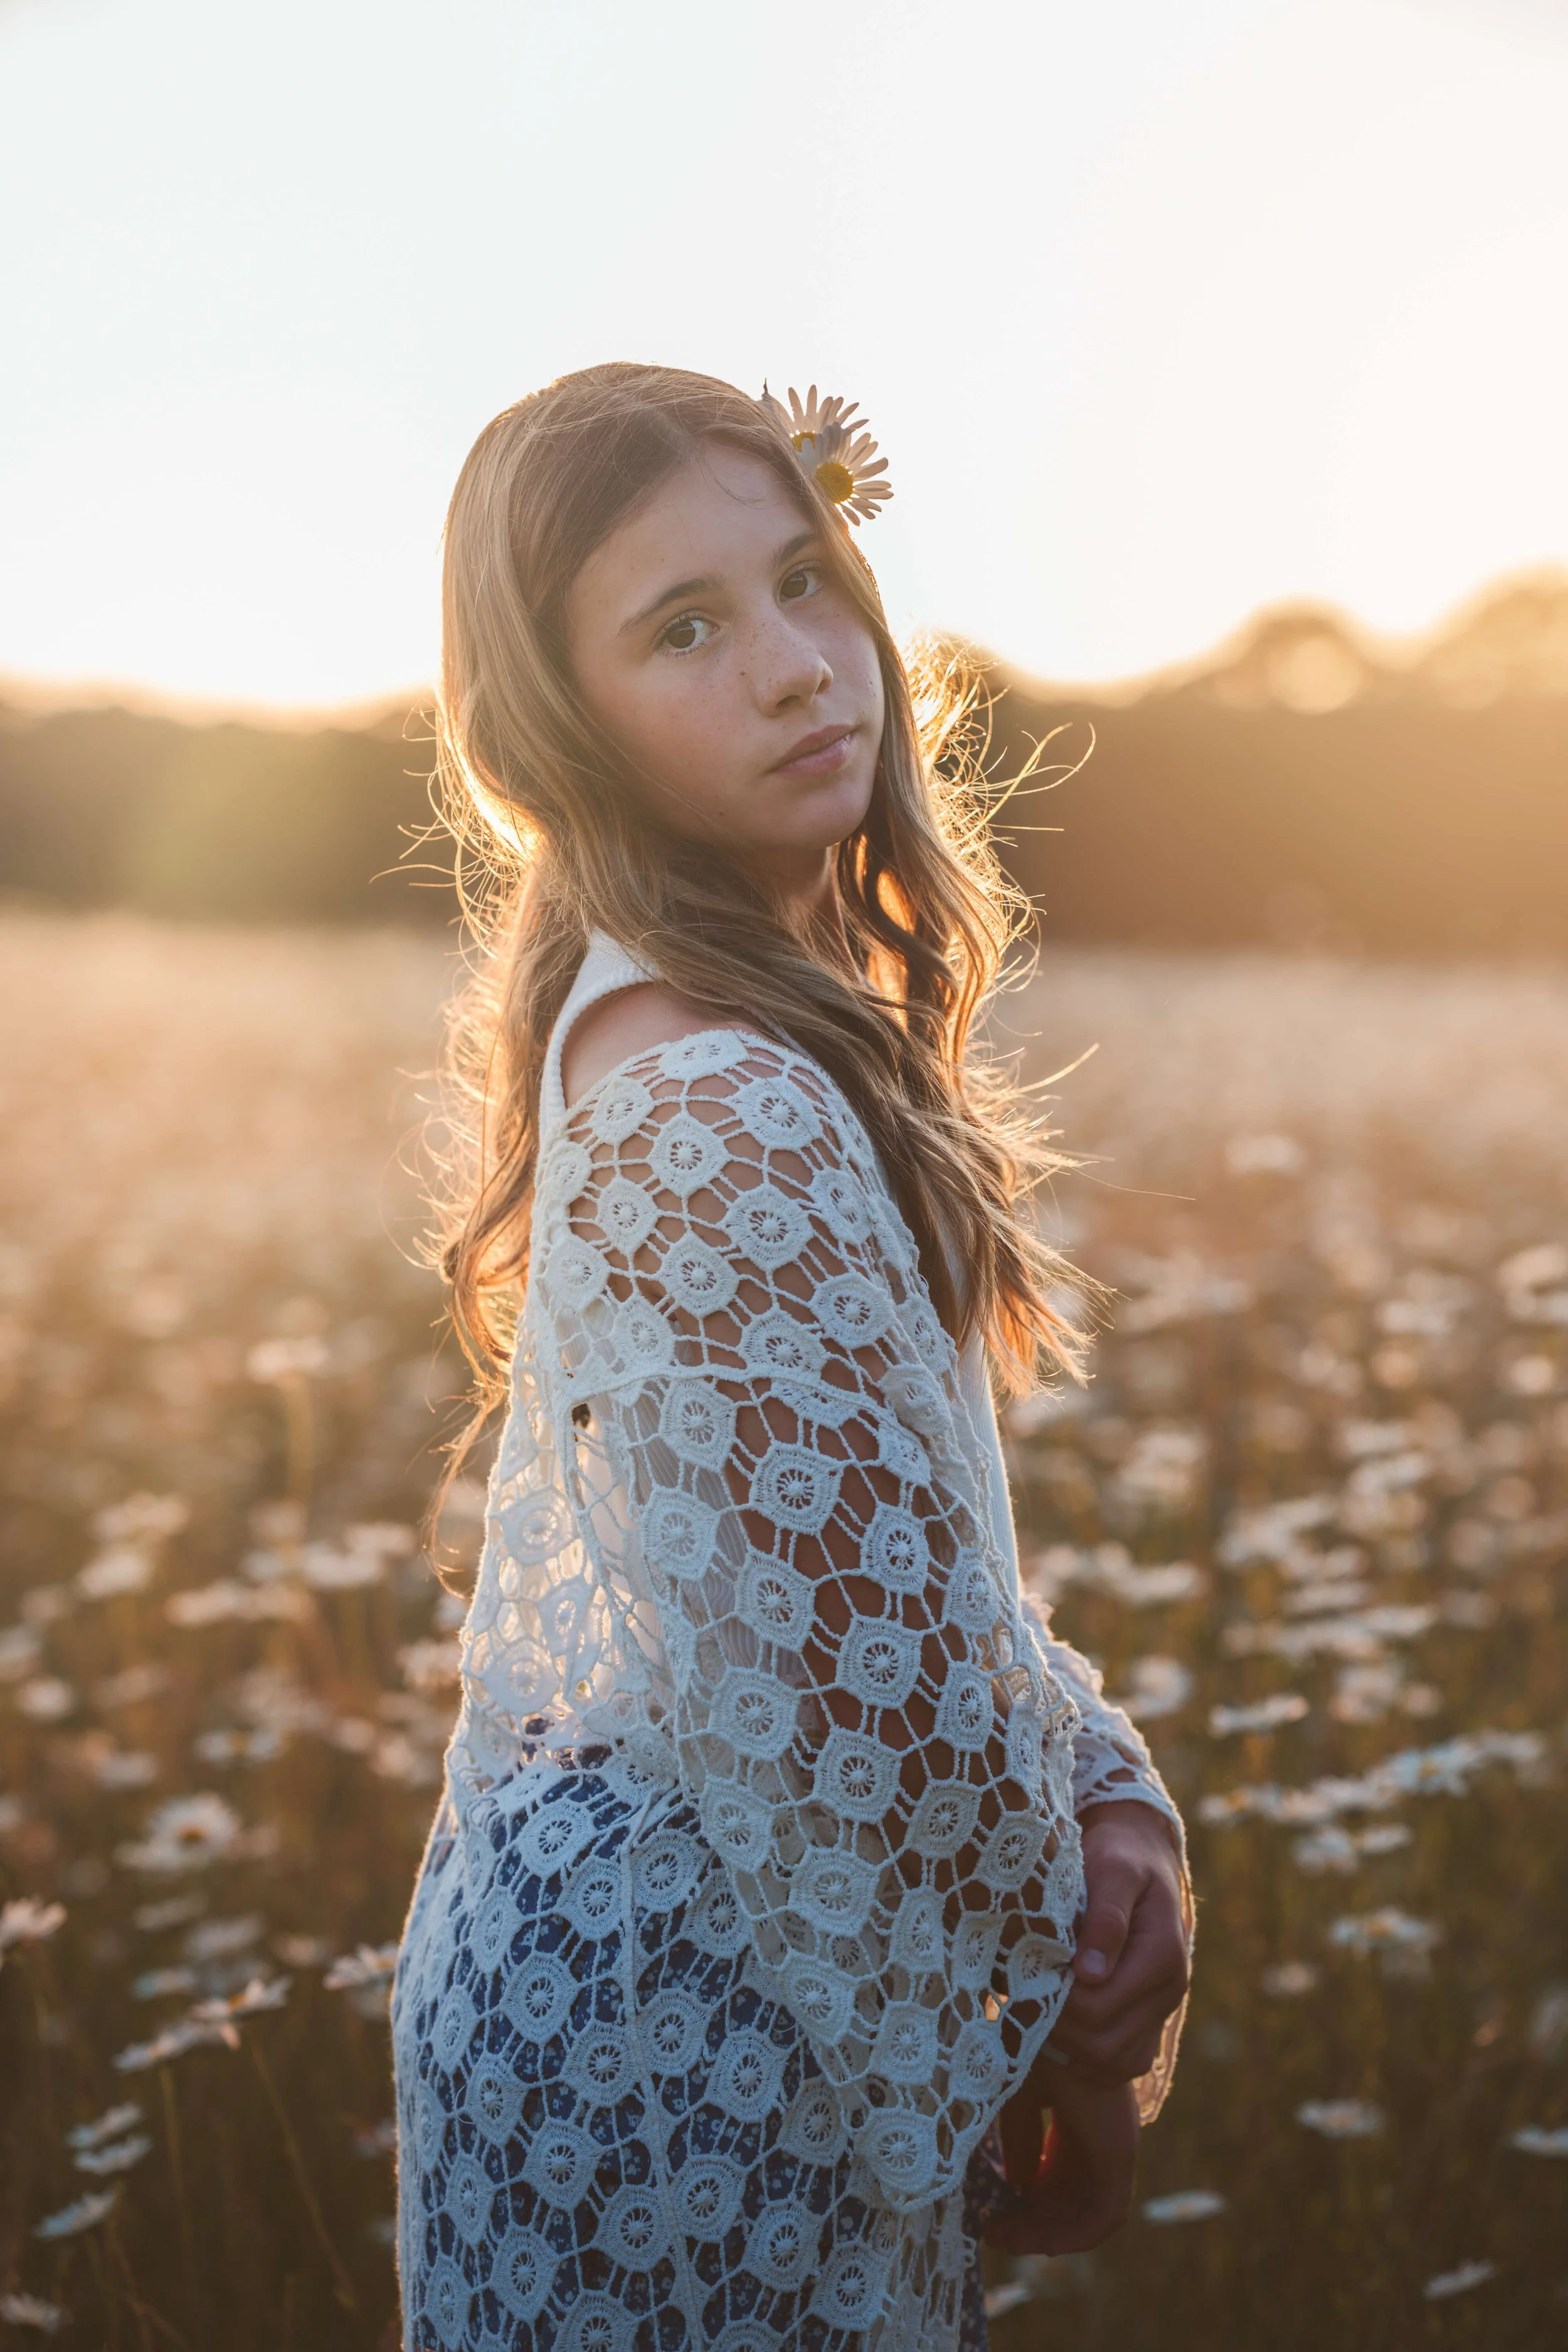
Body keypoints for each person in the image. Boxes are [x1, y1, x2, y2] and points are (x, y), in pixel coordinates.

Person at [391, 363, 1192, 2352]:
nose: (793, 667)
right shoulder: (713, 1096)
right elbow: (884, 1688)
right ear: (555, 728)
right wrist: (1063, 2058)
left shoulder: (710, 1020)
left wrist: (1110, 1791)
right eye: (685, 628)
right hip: (692, 2039)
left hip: (687, 1969)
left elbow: (900, 1572)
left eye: (803, 581)